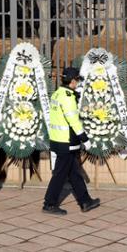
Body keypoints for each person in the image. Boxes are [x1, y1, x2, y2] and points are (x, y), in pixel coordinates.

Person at [43, 67, 100, 215]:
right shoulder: (68, 97)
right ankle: (49, 204)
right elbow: (73, 121)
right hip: (66, 142)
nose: (78, 83)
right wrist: (85, 139)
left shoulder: (57, 94)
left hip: (58, 140)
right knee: (60, 174)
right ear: (73, 80)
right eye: (77, 80)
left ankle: (85, 201)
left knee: (74, 173)